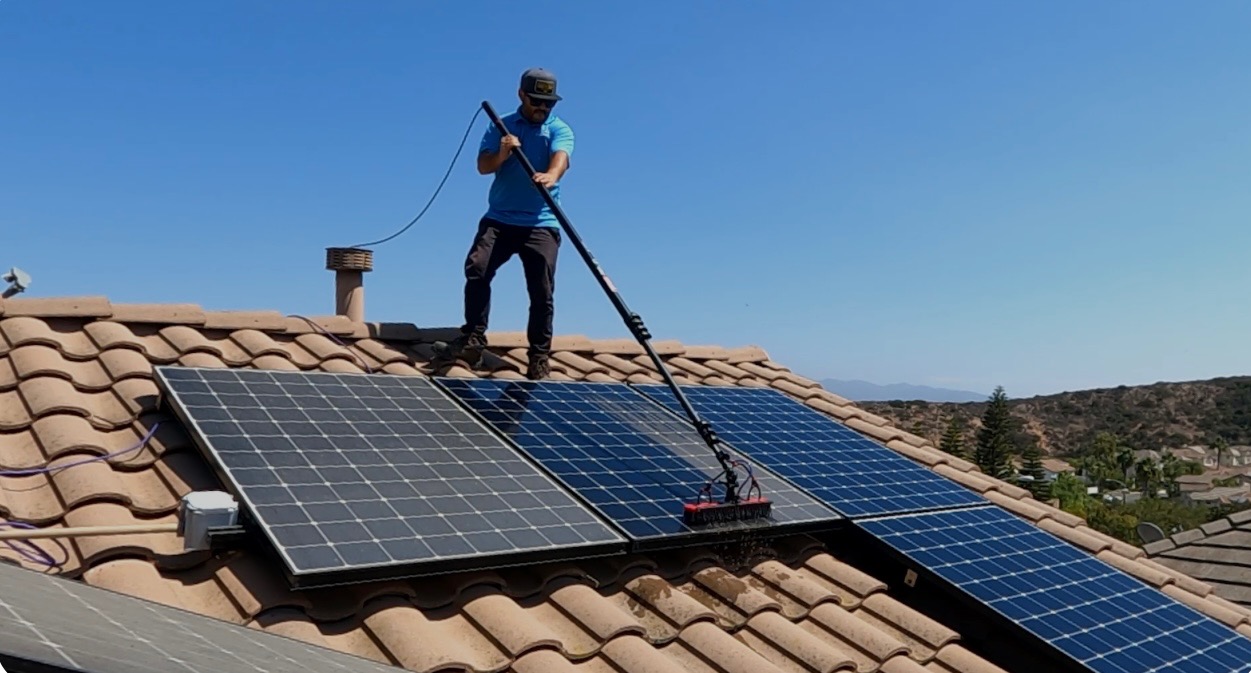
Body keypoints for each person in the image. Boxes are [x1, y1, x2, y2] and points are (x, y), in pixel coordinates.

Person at [433, 67, 574, 380]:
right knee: (477, 267)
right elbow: (483, 167)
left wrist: (551, 176)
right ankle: (473, 337)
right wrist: (503, 153)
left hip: (541, 221)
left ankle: (539, 355)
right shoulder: (502, 125)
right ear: (521, 95)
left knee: (541, 289)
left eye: (549, 103)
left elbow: (561, 157)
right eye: (537, 101)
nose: (543, 108)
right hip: (500, 218)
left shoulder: (559, 129)